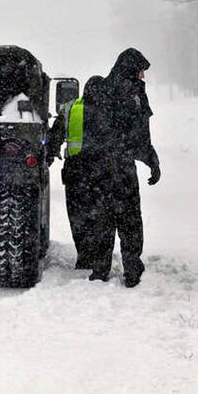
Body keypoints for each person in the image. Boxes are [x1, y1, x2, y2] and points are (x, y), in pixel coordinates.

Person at [93, 48, 161, 287]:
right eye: (141, 70)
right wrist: (151, 160)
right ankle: (132, 268)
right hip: (122, 165)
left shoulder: (101, 88)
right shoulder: (133, 92)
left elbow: (94, 129)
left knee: (103, 217)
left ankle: (100, 269)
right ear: (133, 69)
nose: (143, 76)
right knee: (129, 218)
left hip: (100, 166)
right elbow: (140, 133)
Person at [47, 75, 112, 271]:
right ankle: (100, 260)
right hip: (102, 173)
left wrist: (50, 153)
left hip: (75, 172)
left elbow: (55, 136)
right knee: (101, 217)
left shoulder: (69, 108)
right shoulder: (110, 111)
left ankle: (84, 256)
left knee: (78, 217)